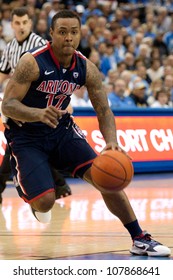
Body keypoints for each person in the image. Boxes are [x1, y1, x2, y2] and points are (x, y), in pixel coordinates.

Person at [1, 9, 171, 257]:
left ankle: (139, 237)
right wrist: (38, 114)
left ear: (80, 34)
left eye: (73, 32)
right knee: (45, 203)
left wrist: (112, 143)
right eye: (62, 32)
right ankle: (24, 183)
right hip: (26, 135)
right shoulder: (32, 62)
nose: (68, 37)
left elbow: (103, 109)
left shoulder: (86, 68)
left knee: (108, 177)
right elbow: (8, 105)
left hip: (62, 131)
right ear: (51, 34)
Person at [0, 7, 72, 204]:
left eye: (24, 22)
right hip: (16, 104)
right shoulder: (10, 47)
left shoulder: (40, 44)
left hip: (38, 103)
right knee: (18, 145)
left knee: (22, 146)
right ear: (11, 24)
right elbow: (3, 74)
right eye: (17, 23)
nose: (21, 26)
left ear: (30, 23)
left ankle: (56, 185)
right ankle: (59, 185)